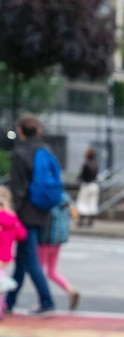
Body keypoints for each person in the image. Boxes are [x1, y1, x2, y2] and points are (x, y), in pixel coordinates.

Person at [6, 114, 56, 314]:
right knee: (22, 259)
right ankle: (9, 301)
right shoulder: (46, 150)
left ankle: (46, 301)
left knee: (31, 259)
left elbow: (17, 188)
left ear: (20, 132)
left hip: (25, 212)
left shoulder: (20, 153)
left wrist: (12, 212)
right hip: (43, 210)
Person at [38, 192, 80, 310]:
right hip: (58, 240)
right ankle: (70, 290)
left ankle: (45, 300)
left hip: (45, 239)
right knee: (52, 272)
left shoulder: (48, 197)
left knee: (38, 273)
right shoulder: (65, 197)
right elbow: (74, 212)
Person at [0, 186, 27, 318]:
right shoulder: (12, 218)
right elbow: (22, 235)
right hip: (6, 256)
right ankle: (3, 304)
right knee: (1, 280)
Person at [76, 147, 99, 227]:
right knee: (92, 203)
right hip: (94, 185)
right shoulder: (96, 164)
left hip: (86, 185)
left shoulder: (85, 164)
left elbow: (81, 175)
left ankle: (81, 221)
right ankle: (90, 221)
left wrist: (78, 179)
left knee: (83, 202)